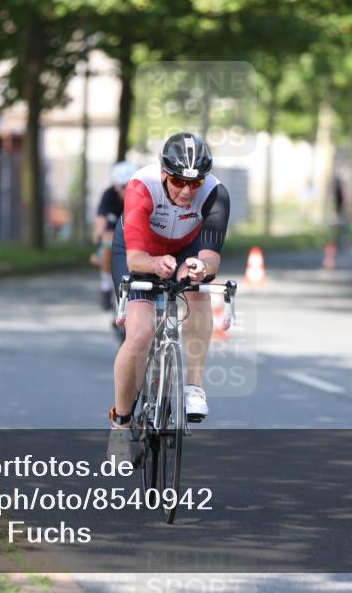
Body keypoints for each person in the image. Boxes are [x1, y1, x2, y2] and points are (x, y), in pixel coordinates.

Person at [108, 132, 230, 459]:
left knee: (199, 292)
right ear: (164, 173)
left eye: (195, 182)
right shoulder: (141, 186)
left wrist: (199, 267)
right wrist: (154, 263)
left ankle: (193, 387)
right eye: (178, 181)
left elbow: (211, 258)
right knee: (141, 333)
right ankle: (120, 424)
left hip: (185, 248)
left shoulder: (215, 193)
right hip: (138, 250)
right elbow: (135, 260)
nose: (187, 190)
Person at [92, 161, 138, 311]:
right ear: (116, 185)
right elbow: (101, 219)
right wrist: (98, 240)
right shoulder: (109, 195)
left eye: (128, 186)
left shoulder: (140, 196)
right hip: (114, 232)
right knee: (107, 239)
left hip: (135, 232)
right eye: (122, 187)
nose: (125, 190)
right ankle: (105, 285)